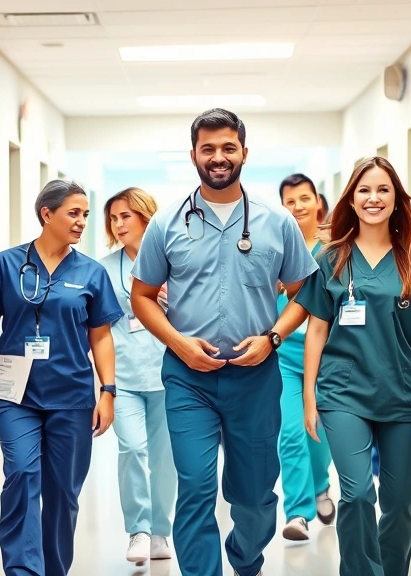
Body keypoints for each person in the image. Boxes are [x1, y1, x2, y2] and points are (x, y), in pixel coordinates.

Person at [130, 108, 317, 576]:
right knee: (194, 486)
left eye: (228, 147)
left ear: (244, 153)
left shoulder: (277, 223)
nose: (218, 157)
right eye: (208, 148)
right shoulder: (167, 223)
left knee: (254, 495)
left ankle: (245, 559)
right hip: (187, 378)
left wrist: (273, 338)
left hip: (255, 377)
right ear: (193, 154)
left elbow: (303, 296)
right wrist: (178, 343)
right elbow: (143, 296)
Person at [297, 156, 411, 576]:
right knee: (356, 494)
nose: (373, 198)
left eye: (383, 189)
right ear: (351, 199)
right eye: (364, 190)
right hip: (342, 392)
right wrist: (309, 396)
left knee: (403, 501)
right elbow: (316, 330)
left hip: (403, 392)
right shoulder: (330, 258)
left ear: (396, 198)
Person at [0, 180, 123, 576]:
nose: (82, 222)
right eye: (74, 213)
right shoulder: (6, 264)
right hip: (12, 393)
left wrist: (107, 390)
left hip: (71, 396)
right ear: (46, 214)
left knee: (62, 493)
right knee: (21, 474)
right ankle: (23, 571)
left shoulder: (91, 273)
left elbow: (101, 336)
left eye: (86, 215)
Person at [98, 187, 176, 565]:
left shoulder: (173, 261)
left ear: (146, 216)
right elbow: (95, 327)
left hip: (168, 373)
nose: (118, 224)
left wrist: (171, 298)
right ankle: (139, 530)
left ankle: (161, 529)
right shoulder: (103, 267)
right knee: (131, 448)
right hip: (123, 377)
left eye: (125, 215)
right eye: (113, 218)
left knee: (164, 458)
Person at [276, 174, 336, 541]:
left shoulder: (335, 249)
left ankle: (320, 485)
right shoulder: (274, 248)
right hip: (284, 354)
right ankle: (298, 512)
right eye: (289, 201)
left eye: (304, 199)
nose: (297, 207)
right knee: (290, 431)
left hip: (328, 354)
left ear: (318, 203)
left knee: (319, 430)